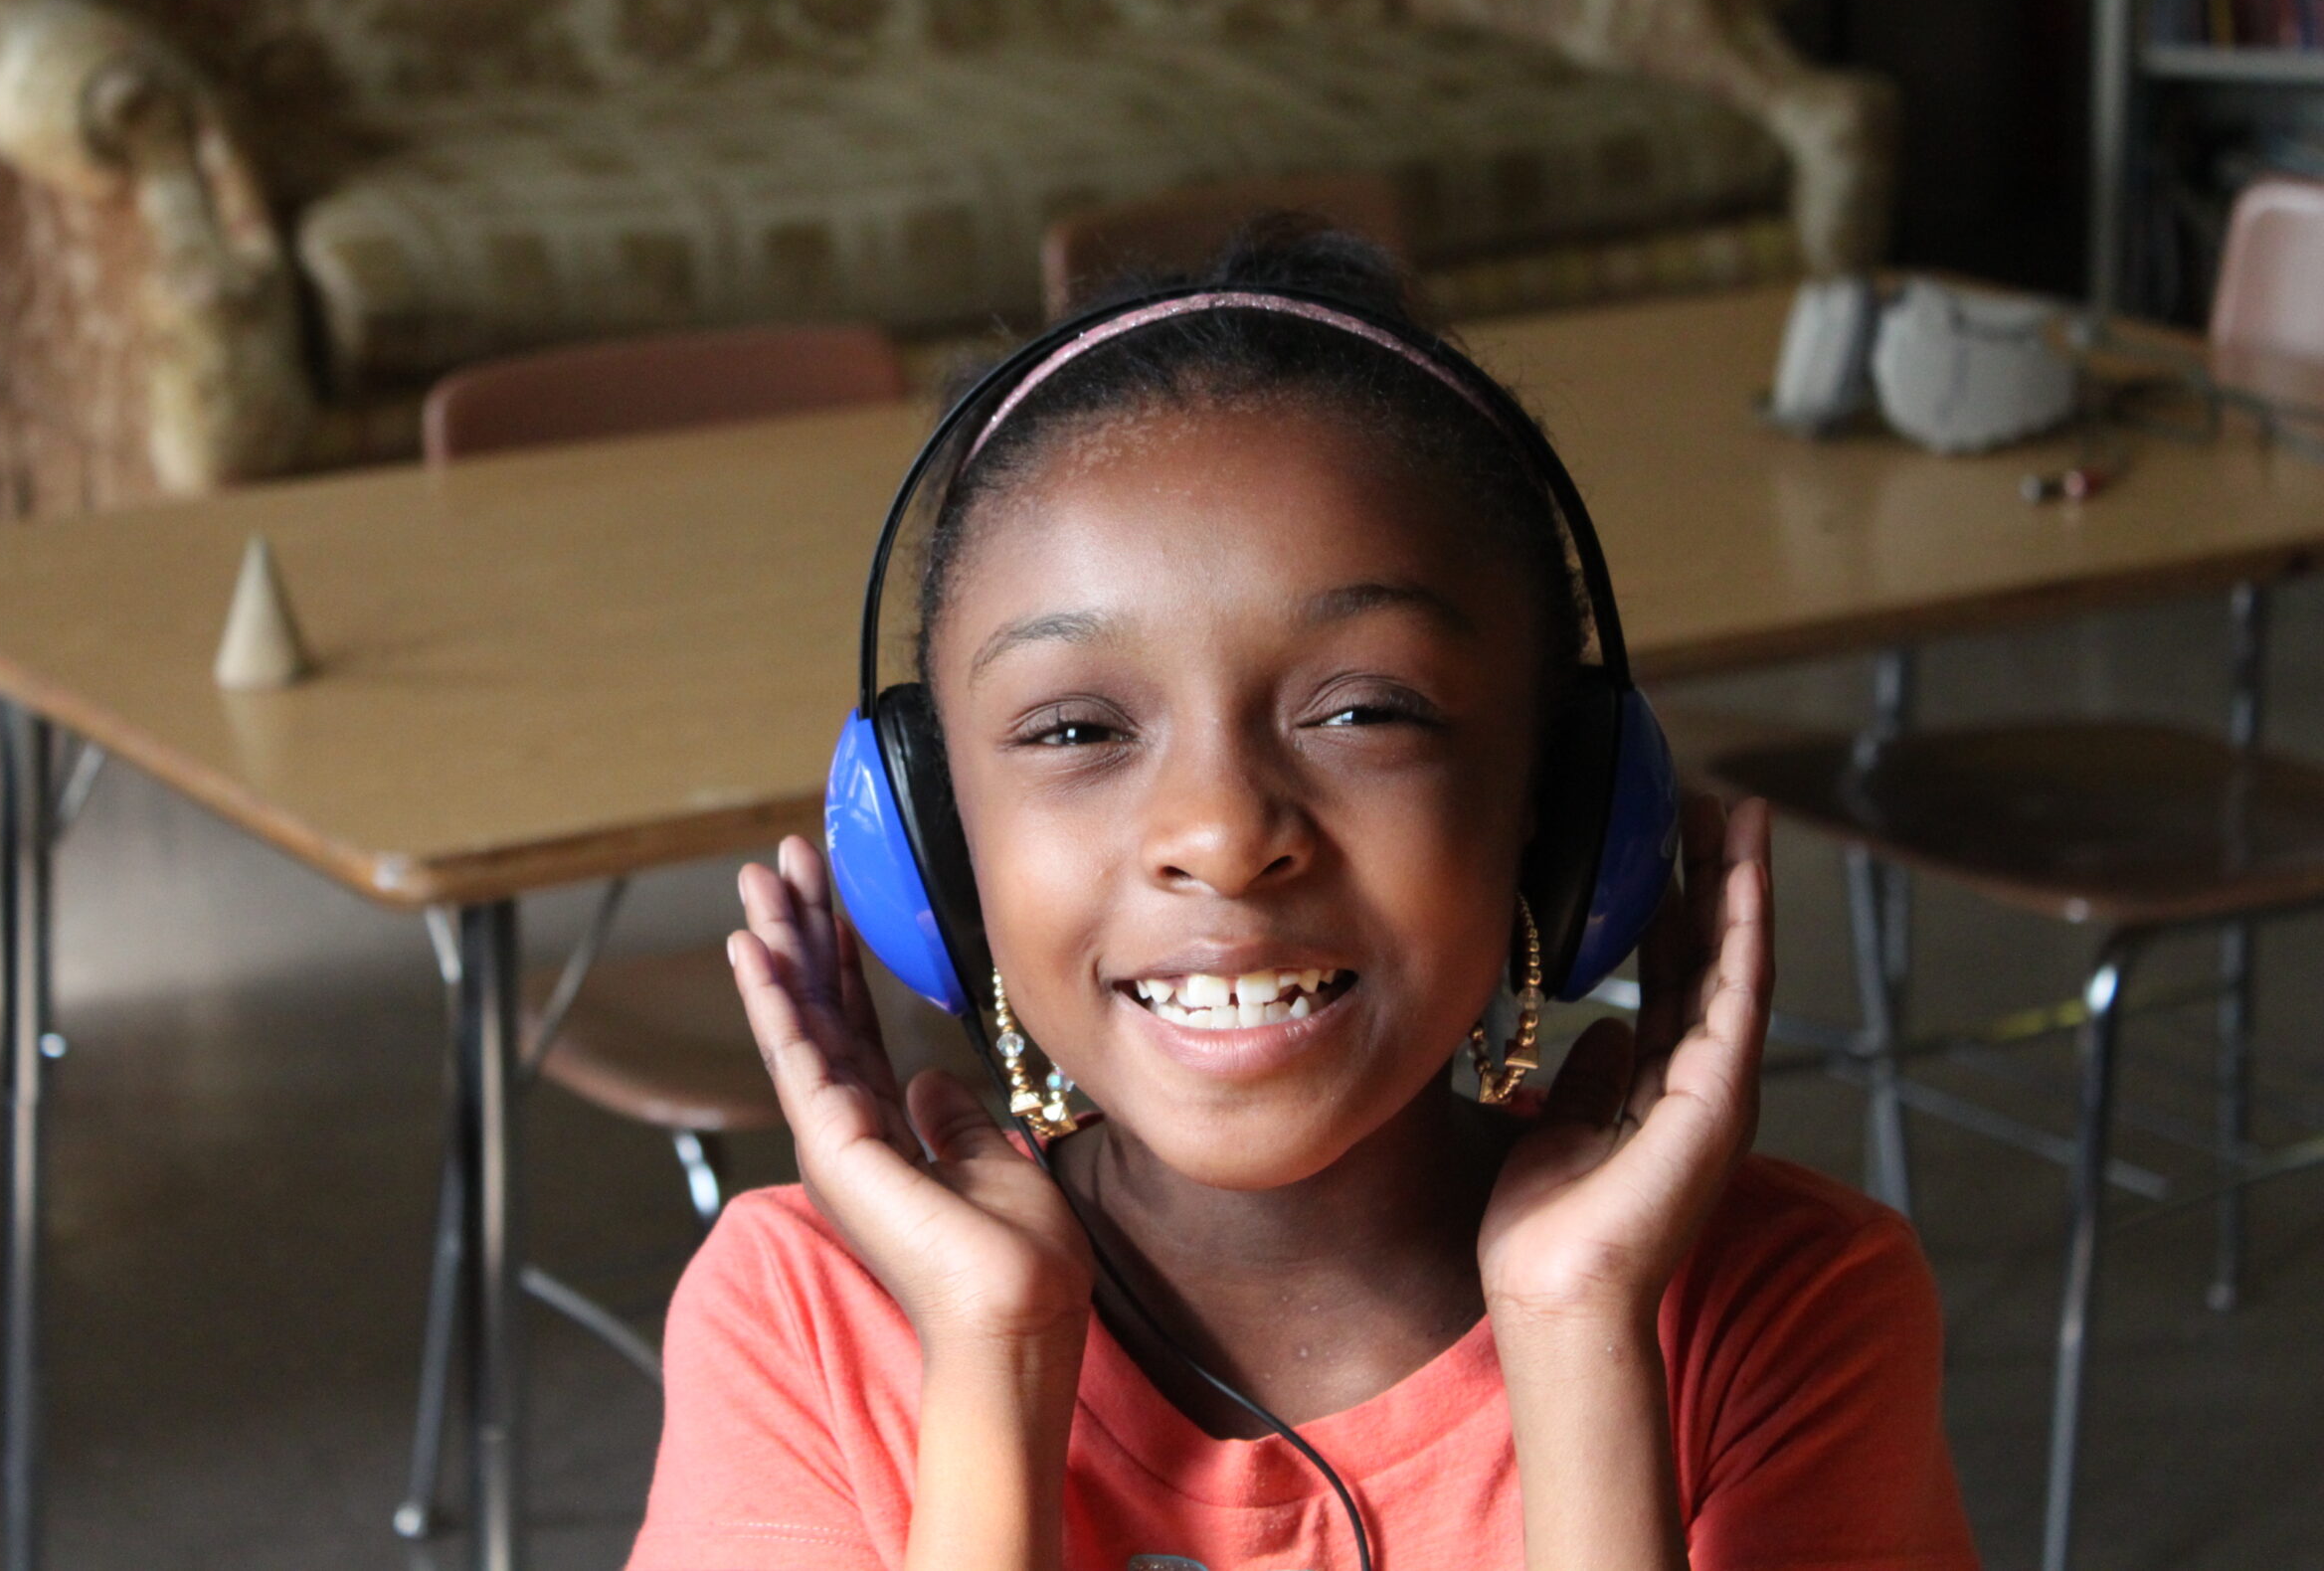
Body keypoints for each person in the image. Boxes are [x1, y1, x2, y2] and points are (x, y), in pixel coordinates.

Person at [626, 230, 1978, 1571]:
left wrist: (1578, 1334)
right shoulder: (807, 1318)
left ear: (1562, 810)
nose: (1221, 835)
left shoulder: (1789, 1308)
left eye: (1365, 710)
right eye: (1077, 731)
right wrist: (999, 1354)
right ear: (933, 840)